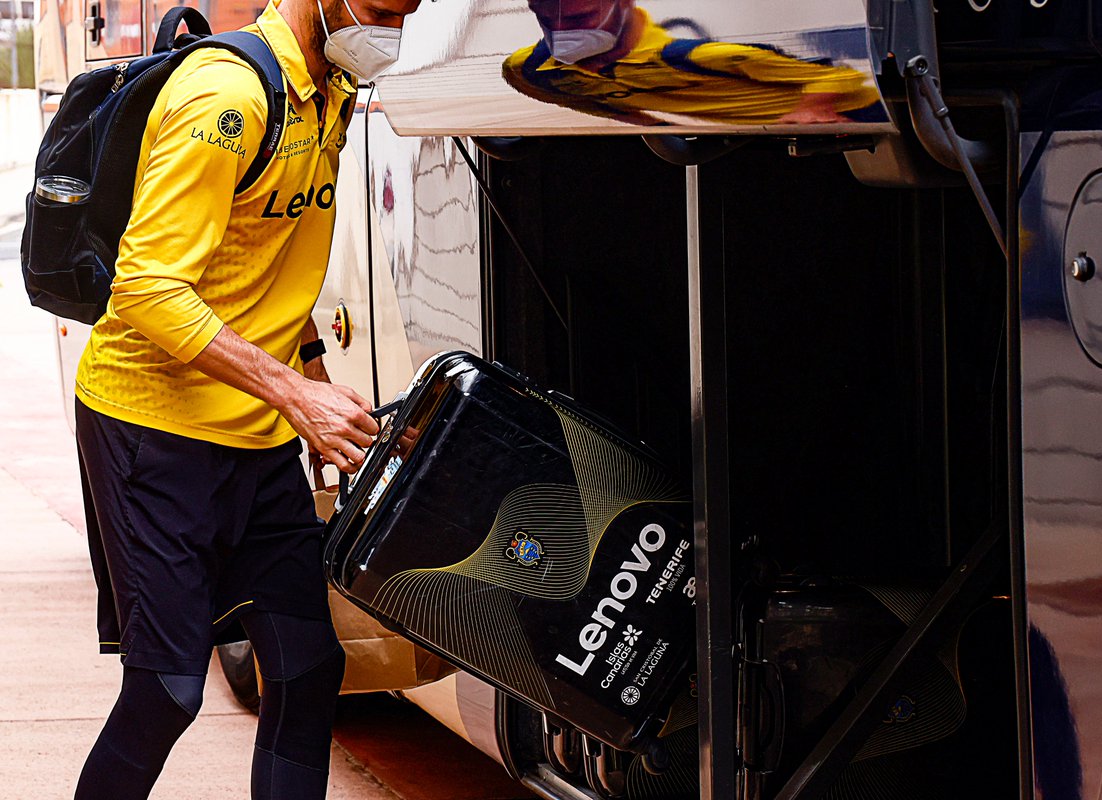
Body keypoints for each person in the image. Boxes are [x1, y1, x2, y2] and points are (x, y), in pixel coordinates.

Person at [71, 0, 419, 797]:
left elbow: (266, 260)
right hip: (151, 427)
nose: (394, 31)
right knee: (166, 691)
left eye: (410, 11)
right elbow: (148, 288)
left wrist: (318, 394)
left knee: (307, 667)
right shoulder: (227, 95)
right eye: (381, 9)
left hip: (254, 435)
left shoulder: (328, 92)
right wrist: (293, 394)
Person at [503, 0, 884, 127]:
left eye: (581, 18)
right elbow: (574, 99)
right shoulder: (529, 69)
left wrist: (811, 107)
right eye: (547, 18)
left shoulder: (695, 56)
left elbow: (842, 77)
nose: (561, 30)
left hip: (856, 113)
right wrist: (647, 124)